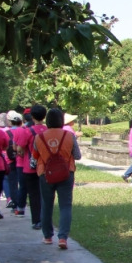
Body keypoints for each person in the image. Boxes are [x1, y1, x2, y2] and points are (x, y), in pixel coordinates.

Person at [34, 108, 80, 250]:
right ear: (61, 121)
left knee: (46, 204)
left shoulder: (39, 137)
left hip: (45, 173)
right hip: (66, 173)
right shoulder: (69, 135)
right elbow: (77, 155)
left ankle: (47, 236)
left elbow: (35, 157)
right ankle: (63, 238)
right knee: (65, 205)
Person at [13, 105, 47, 230]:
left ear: (32, 116)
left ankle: (37, 220)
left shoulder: (27, 131)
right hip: (46, 166)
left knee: (34, 194)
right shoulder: (48, 130)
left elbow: (19, 149)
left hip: (30, 166)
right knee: (45, 194)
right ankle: (46, 219)